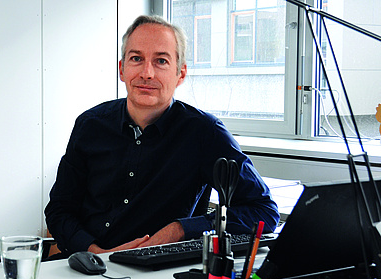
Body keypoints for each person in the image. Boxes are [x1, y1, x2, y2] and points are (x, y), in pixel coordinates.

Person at [44, 15, 279, 256]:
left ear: (181, 74)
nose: (147, 73)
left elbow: (263, 211)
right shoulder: (89, 125)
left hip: (157, 271)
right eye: (136, 59)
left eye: (161, 61)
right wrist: (95, 252)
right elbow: (59, 210)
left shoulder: (205, 132)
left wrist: (180, 229)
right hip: (85, 266)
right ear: (122, 69)